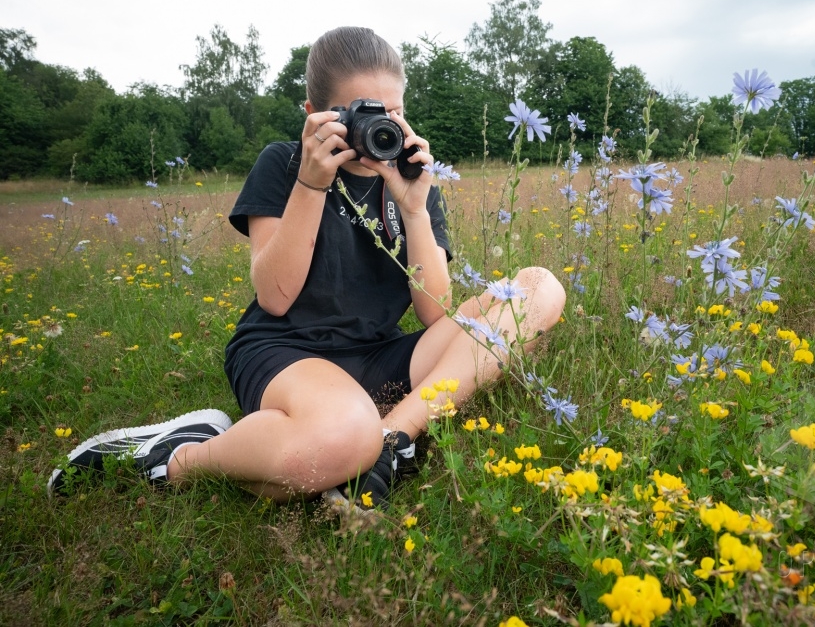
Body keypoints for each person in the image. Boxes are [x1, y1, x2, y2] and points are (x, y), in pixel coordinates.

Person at [48, 26, 565, 508]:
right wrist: (312, 184)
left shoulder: (411, 179)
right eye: (359, 113)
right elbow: (275, 297)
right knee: (341, 440)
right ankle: (179, 456)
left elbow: (435, 313)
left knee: (539, 290)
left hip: (377, 355)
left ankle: (391, 438)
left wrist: (413, 208)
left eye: (392, 112)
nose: (378, 127)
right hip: (286, 352)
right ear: (315, 113)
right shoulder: (285, 163)